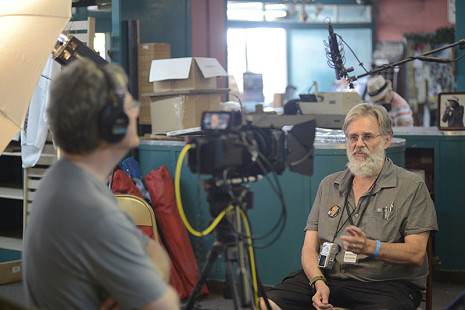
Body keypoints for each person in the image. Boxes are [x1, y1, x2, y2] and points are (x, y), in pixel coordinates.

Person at [23, 59, 179, 310]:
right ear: (111, 124)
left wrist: (145, 282)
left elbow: (151, 250)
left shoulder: (67, 181)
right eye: (130, 106)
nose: (136, 112)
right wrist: (149, 287)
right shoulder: (90, 210)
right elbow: (166, 304)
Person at [262, 103, 438, 310]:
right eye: (353, 137)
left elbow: (416, 253)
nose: (359, 144)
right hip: (329, 277)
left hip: (385, 285)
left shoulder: (411, 187)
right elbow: (309, 248)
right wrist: (319, 283)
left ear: (387, 140)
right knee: (265, 304)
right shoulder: (329, 185)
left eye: (368, 136)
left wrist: (371, 247)